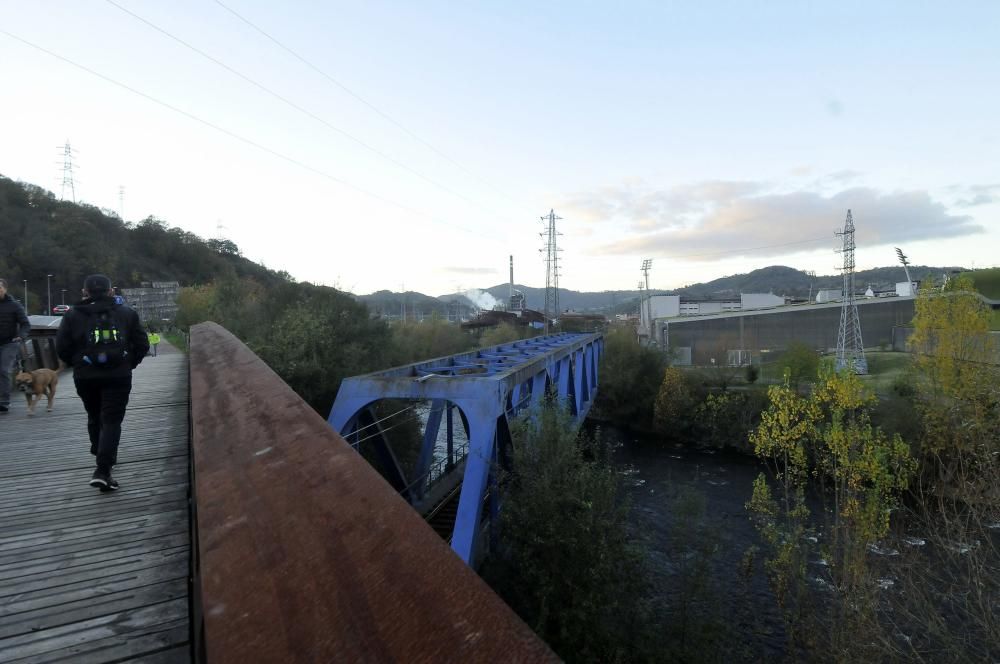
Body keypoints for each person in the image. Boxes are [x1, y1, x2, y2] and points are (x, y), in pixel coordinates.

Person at [57, 274, 149, 490]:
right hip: (118, 376)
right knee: (111, 420)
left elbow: (62, 347)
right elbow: (142, 344)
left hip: (85, 376)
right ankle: (103, 470)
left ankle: (100, 453)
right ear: (111, 291)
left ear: (84, 292)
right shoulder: (127, 313)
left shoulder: (71, 315)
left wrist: (78, 363)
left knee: (94, 415)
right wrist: (128, 364)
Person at [0, 278, 31, 414]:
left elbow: (25, 324)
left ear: (5, 289)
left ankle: (4, 402)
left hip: (9, 342)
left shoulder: (14, 305)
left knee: (4, 369)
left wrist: (21, 335)